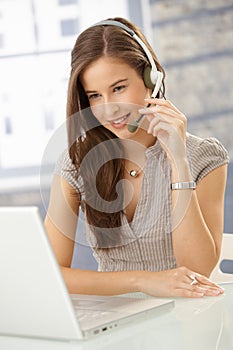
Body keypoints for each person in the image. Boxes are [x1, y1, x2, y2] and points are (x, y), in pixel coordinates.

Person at [44, 17, 229, 298]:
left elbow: (196, 269)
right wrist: (142, 281)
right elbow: (52, 273)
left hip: (186, 318)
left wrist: (178, 160)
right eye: (95, 96)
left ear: (151, 79)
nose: (109, 110)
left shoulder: (204, 156)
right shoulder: (78, 162)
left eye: (118, 88)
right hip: (114, 321)